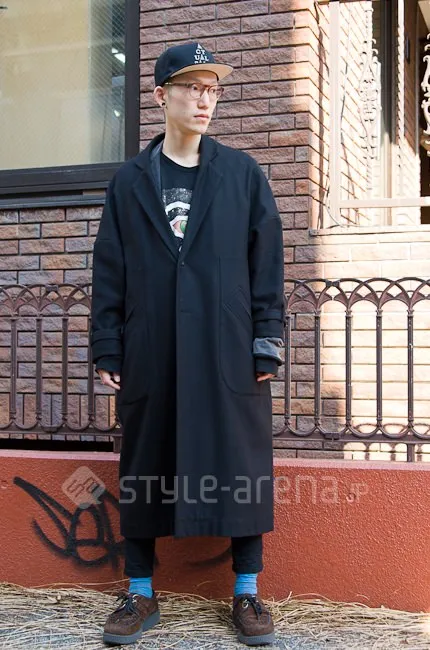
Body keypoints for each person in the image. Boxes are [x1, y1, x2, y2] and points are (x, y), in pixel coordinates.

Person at [91, 42, 284, 647]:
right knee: (144, 462)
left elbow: (266, 265)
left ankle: (247, 593)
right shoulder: (130, 182)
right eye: (191, 88)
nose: (204, 100)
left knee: (240, 463)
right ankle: (139, 593)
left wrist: (267, 340)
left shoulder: (242, 175)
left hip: (227, 349)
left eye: (212, 90)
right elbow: (110, 268)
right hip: (152, 348)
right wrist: (108, 345)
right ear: (160, 96)